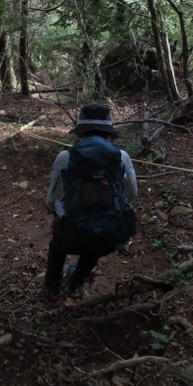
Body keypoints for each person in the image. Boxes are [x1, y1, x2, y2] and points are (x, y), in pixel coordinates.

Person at [44, 103, 138, 301]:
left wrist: (62, 212)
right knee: (97, 237)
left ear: (81, 132)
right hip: (109, 236)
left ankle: (51, 288)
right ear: (108, 132)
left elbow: (51, 200)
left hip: (71, 235)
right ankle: (76, 281)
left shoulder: (65, 157)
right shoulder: (122, 157)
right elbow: (132, 193)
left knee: (57, 245)